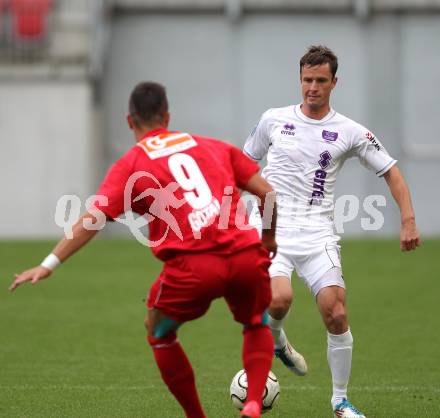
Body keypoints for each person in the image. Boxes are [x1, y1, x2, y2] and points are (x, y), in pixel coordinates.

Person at [9, 82, 279, 418]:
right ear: (167, 115)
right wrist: (267, 238)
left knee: (159, 331)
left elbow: (92, 220)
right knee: (255, 323)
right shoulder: (213, 146)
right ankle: (253, 403)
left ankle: (196, 416)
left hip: (193, 268)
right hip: (244, 256)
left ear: (129, 120)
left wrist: (48, 263)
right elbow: (267, 193)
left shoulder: (132, 164)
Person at [243, 45, 421, 418]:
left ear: (334, 82)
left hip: (318, 231)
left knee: (336, 313)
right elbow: (244, 164)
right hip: (273, 227)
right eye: (307, 80)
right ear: (300, 79)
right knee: (279, 300)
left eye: (321, 81)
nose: (312, 88)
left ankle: (340, 401)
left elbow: (391, 170)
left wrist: (407, 220)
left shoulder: (350, 131)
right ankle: (276, 340)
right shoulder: (273, 120)